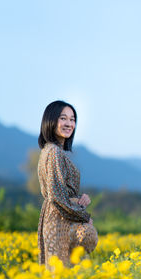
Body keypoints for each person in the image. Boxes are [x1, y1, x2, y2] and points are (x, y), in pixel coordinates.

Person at [37, 100, 98, 269]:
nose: (69, 124)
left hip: (59, 218)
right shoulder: (54, 152)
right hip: (60, 222)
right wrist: (84, 217)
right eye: (63, 118)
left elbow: (60, 191)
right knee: (65, 276)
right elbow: (56, 196)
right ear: (51, 121)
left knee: (64, 277)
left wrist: (78, 199)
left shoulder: (50, 151)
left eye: (72, 119)